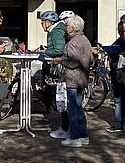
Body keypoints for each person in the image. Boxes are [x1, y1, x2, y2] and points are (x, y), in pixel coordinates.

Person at [58, 14, 93, 147]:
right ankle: (83, 135)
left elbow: (73, 62)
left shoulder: (72, 43)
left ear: (72, 28)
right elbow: (91, 59)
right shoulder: (85, 40)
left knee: (73, 109)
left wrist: (61, 60)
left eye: (67, 25)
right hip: (82, 78)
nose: (66, 27)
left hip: (73, 79)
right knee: (79, 108)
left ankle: (75, 137)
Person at [38, 11, 70, 139]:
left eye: (42, 22)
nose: (41, 25)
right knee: (62, 98)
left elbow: (59, 50)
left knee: (63, 98)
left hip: (61, 69)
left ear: (48, 23)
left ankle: (66, 129)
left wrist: (45, 52)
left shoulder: (56, 32)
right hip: (61, 67)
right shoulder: (55, 31)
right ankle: (66, 128)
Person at [107, 19, 125, 132]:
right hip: (116, 74)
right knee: (118, 100)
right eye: (119, 30)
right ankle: (118, 123)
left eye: (123, 30)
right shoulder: (118, 41)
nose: (121, 32)